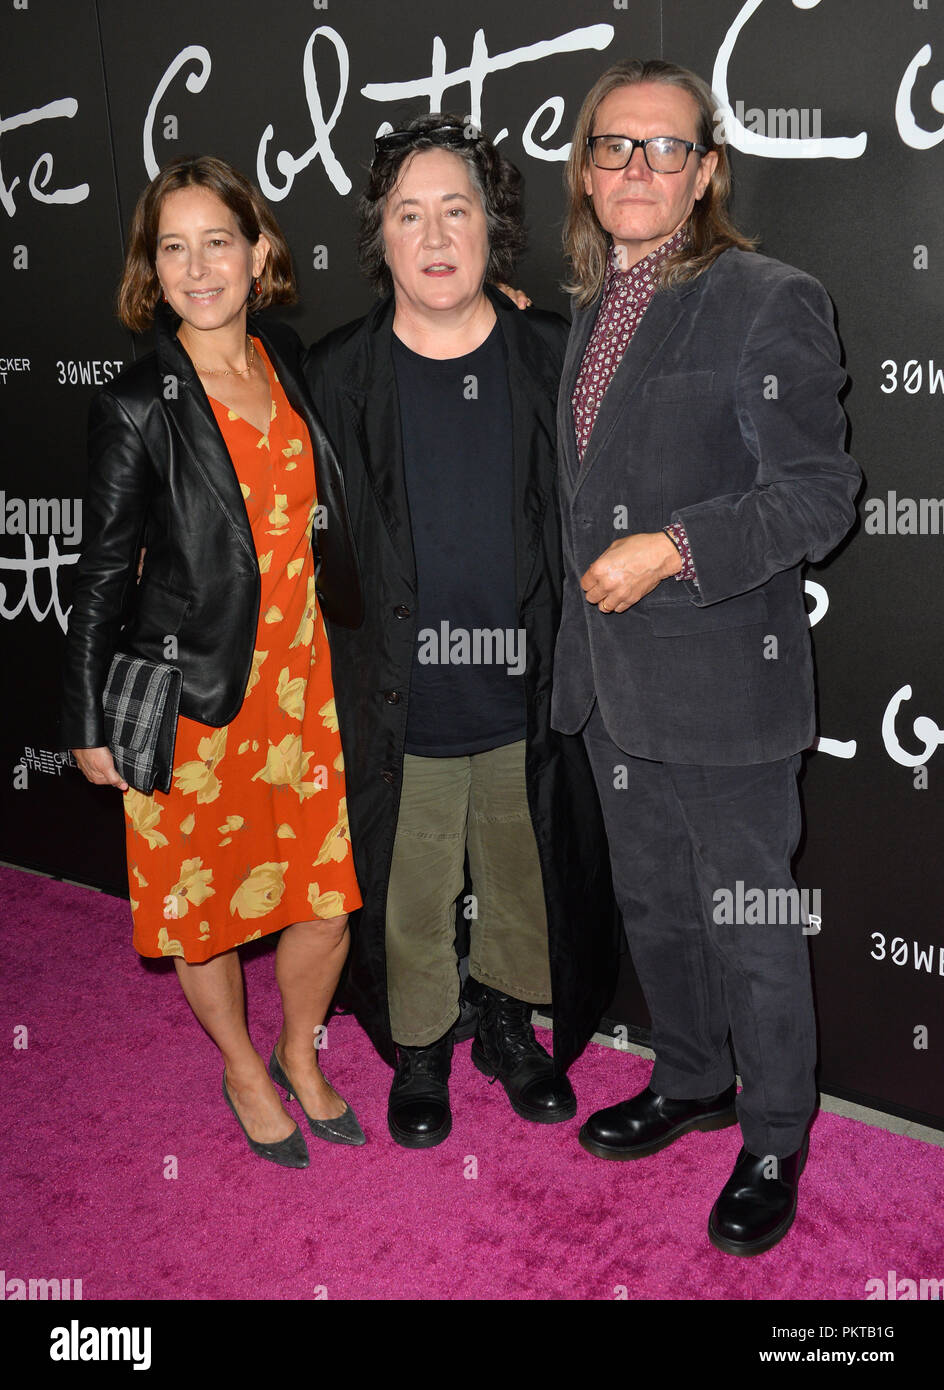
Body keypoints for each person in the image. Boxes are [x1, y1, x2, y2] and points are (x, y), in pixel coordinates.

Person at [554, 61, 860, 1253]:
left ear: (706, 171)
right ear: (584, 172)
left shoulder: (766, 296)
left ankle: (774, 1131)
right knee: (657, 909)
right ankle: (688, 1080)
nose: (634, 169)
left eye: (662, 149)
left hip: (727, 686)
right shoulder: (588, 304)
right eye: (611, 148)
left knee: (747, 921)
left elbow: (820, 495)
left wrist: (672, 547)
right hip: (613, 692)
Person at [305, 115, 619, 1149]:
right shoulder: (334, 375)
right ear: (380, 237)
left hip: (526, 688)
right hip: (402, 694)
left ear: (493, 228)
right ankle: (422, 1043)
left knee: (523, 868)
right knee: (413, 881)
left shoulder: (550, 353)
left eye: (456, 209)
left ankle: (506, 1023)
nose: (434, 233)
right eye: (409, 213)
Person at [60, 155, 365, 1167]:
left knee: (323, 903)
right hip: (196, 699)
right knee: (206, 918)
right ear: (152, 266)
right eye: (172, 246)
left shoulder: (285, 354)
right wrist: (88, 719)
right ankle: (242, 1066)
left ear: (259, 250)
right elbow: (103, 568)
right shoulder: (139, 400)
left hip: (303, 691)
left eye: (217, 241)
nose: (197, 267)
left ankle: (300, 1049)